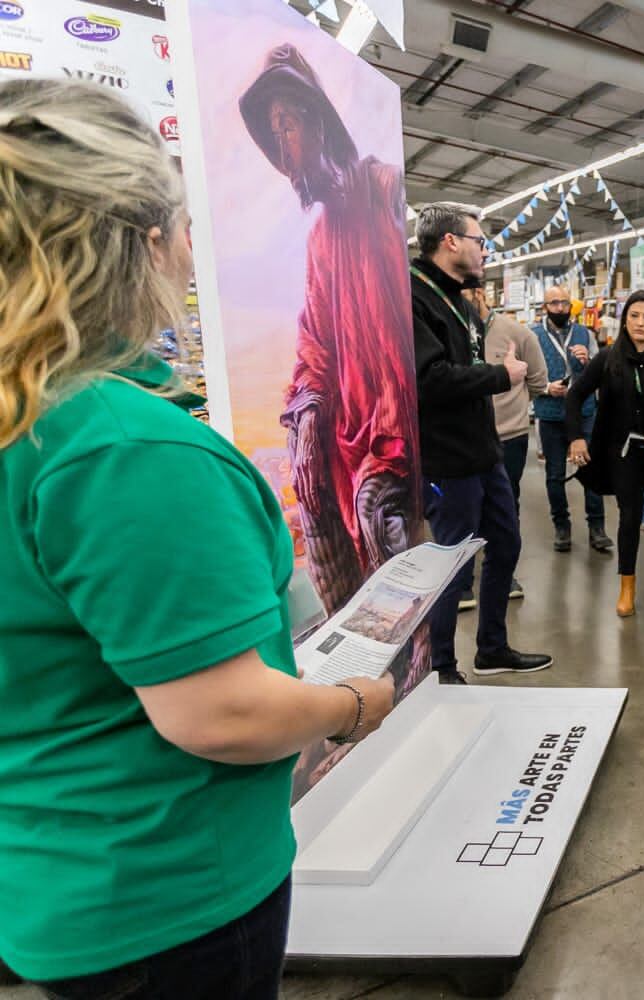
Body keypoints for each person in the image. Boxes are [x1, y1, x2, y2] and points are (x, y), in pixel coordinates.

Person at [0, 79, 396, 997]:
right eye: (182, 226)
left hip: (61, 870)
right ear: (142, 242)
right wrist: (350, 706)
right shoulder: (122, 448)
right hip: (168, 896)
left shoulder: (35, 420)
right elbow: (221, 713)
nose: (189, 249)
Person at [239, 43, 420, 617]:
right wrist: (305, 406)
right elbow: (314, 337)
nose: (283, 149)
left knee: (385, 533)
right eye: (275, 135)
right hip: (346, 434)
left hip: (390, 435)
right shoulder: (320, 239)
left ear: (316, 122)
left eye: (287, 126)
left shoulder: (384, 189)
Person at [411, 203, 551, 681]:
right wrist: (501, 374)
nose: (485, 252)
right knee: (454, 566)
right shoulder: (414, 297)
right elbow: (428, 379)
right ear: (451, 242)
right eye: (479, 241)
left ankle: (492, 647)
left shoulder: (458, 299)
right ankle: (442, 667)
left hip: (483, 452)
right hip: (448, 460)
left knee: (506, 545)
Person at [566, 291, 644, 617]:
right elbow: (575, 395)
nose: (640, 323)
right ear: (625, 320)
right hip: (621, 451)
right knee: (629, 517)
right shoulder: (608, 358)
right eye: (634, 316)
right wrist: (576, 438)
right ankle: (626, 586)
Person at [532, 286, 610, 555]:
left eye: (564, 303)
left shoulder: (585, 334)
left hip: (585, 411)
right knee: (554, 474)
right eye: (554, 303)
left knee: (590, 468)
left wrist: (588, 361)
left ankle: (597, 527)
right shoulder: (533, 336)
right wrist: (545, 388)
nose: (560, 308)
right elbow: (525, 376)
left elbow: (600, 373)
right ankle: (561, 526)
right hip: (550, 413)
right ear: (545, 307)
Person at [481, 302, 548, 600]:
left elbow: (537, 381)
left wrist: (512, 408)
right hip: (465, 436)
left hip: (509, 436)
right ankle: (461, 582)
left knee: (506, 506)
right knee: (465, 506)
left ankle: (504, 575)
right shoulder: (449, 328)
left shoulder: (517, 334)